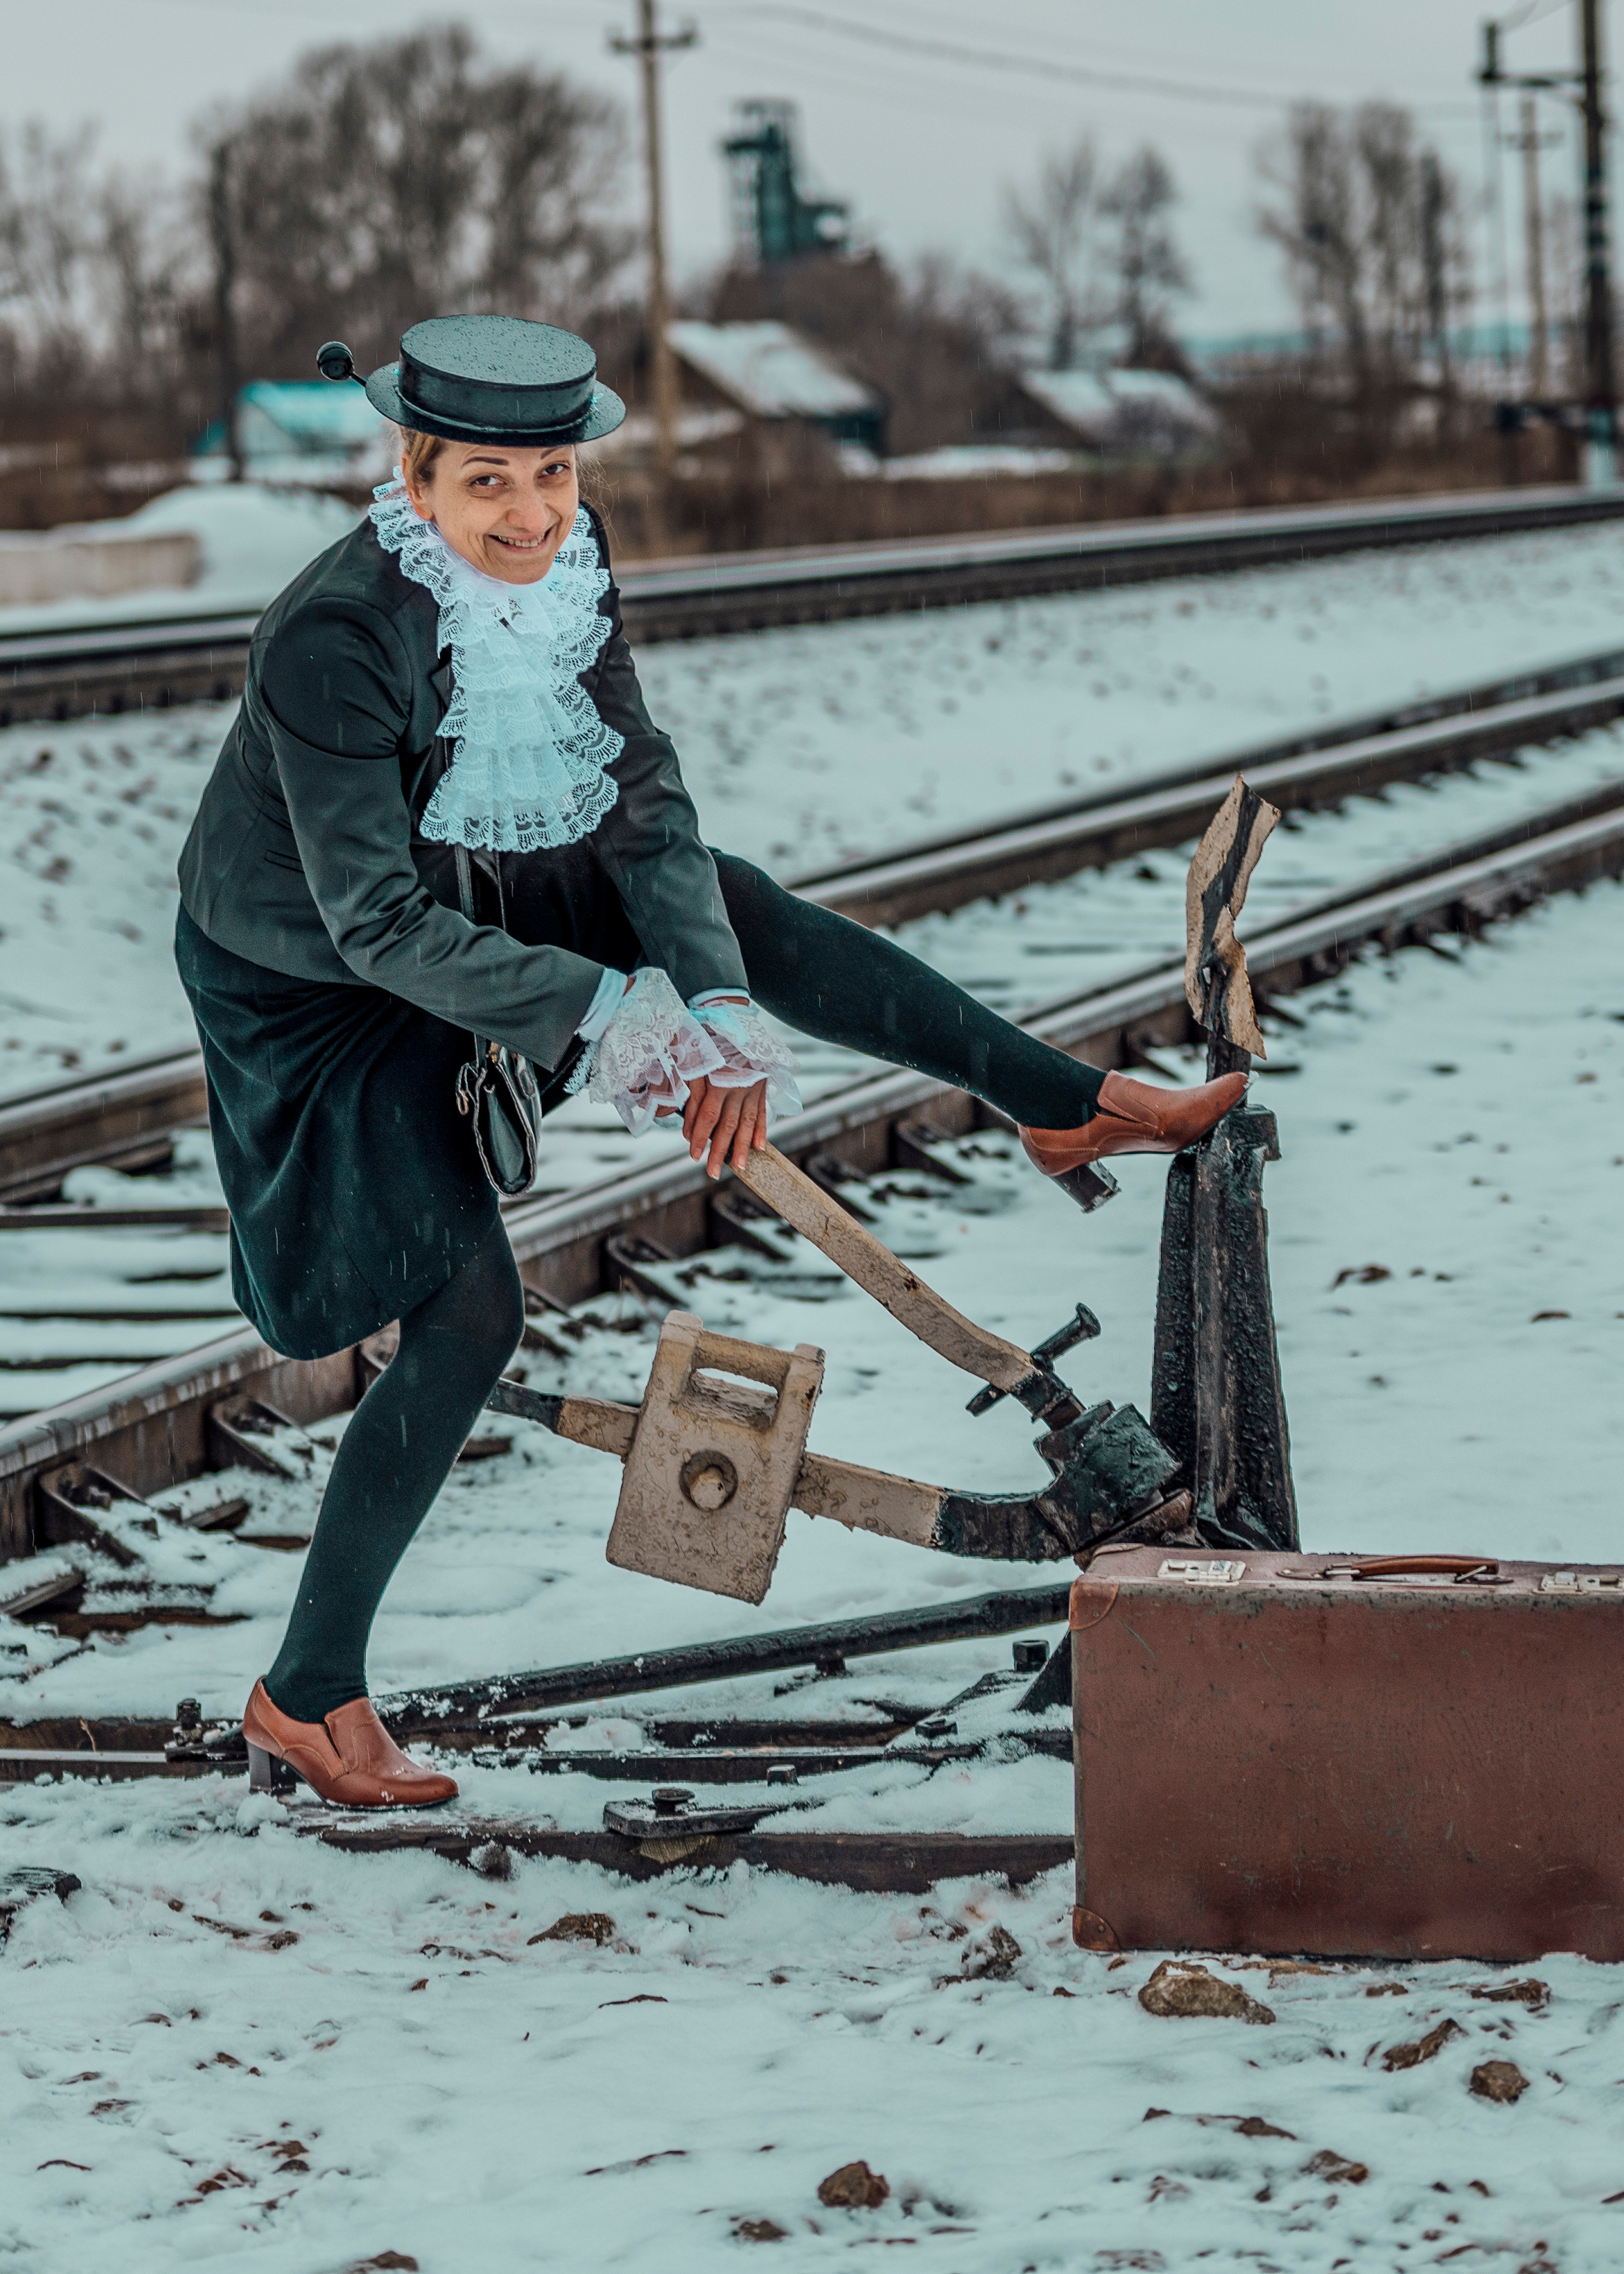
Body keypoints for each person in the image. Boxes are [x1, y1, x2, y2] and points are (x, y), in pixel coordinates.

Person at [175, 315, 1244, 1810]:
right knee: (465, 1308)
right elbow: (374, 925)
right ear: (412, 474)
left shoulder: (566, 566)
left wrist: (720, 1012)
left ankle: (1061, 1105)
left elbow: (643, 808)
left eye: (549, 475)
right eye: (486, 482)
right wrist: (618, 1014)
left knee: (723, 901)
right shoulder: (330, 638)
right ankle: (308, 1695)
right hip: (316, 978)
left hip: (475, 888)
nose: (529, 515)